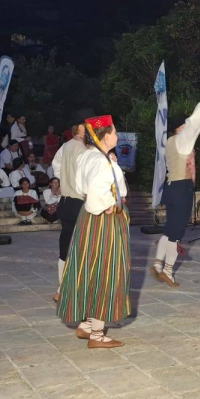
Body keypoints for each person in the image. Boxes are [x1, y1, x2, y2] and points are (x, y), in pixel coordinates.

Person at [58, 115, 130, 348]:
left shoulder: (90, 156)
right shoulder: (100, 161)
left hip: (88, 220)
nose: (117, 136)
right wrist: (108, 205)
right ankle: (97, 335)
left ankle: (87, 326)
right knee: (106, 271)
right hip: (104, 220)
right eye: (115, 132)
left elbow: (81, 187)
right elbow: (98, 195)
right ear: (105, 135)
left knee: (91, 268)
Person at [152, 87, 200, 288]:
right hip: (182, 187)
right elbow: (196, 120)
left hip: (171, 186)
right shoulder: (182, 139)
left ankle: (158, 264)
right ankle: (167, 271)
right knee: (176, 232)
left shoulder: (169, 142)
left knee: (170, 227)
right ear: (180, 127)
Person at [51, 122, 89, 302]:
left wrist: (63, 180)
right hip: (79, 203)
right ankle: (75, 288)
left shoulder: (65, 146)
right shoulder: (85, 149)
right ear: (81, 131)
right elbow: (85, 178)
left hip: (65, 202)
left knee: (65, 244)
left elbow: (55, 164)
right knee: (82, 246)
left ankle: (61, 288)